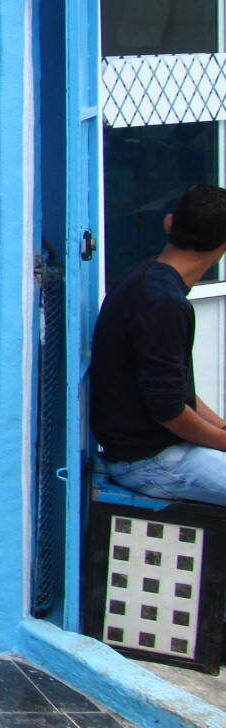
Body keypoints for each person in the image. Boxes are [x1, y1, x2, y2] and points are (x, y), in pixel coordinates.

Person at [93, 184, 226, 505]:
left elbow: (174, 391)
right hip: (147, 462)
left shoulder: (144, 279)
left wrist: (221, 427)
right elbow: (169, 411)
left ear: (169, 223)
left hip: (157, 449)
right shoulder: (164, 304)